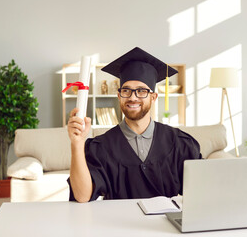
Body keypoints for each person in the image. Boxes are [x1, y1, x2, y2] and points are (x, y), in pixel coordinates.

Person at [67, 47, 202, 203]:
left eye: (141, 91)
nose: (133, 97)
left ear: (153, 97)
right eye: (126, 91)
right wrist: (77, 143)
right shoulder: (101, 146)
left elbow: (203, 189)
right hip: (117, 225)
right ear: (119, 96)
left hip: (166, 225)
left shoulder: (179, 143)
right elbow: (82, 196)